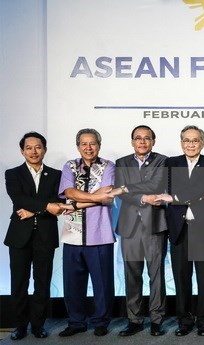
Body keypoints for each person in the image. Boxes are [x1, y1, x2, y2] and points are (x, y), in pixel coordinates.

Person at [57, 128, 123, 337]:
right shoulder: (69, 166)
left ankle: (101, 321)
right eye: (84, 144)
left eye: (92, 143)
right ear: (78, 147)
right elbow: (68, 192)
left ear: (99, 146)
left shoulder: (108, 166)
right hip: (73, 233)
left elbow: (108, 196)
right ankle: (76, 322)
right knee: (72, 282)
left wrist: (75, 203)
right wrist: (95, 198)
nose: (88, 147)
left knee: (102, 282)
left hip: (100, 233)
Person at [159, 126, 204, 336]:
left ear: (202, 143)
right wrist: (190, 193)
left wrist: (176, 198)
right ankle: (184, 321)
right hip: (179, 228)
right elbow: (176, 188)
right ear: (181, 142)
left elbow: (203, 187)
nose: (191, 144)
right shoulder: (171, 163)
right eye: (187, 140)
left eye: (195, 141)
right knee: (181, 277)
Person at [4, 132, 65, 340]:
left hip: (46, 235)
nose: (33, 151)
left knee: (42, 283)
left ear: (44, 150)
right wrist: (45, 206)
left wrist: (35, 210)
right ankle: (20, 326)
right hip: (19, 236)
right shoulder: (12, 174)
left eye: (38, 147)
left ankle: (38, 325)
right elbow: (18, 198)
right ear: (22, 151)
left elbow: (58, 201)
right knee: (18, 283)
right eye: (28, 148)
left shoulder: (56, 175)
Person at [114, 125, 168, 336]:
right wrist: (142, 198)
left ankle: (156, 319)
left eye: (147, 138)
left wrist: (127, 187)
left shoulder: (162, 160)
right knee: (132, 275)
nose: (142, 142)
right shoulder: (121, 162)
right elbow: (120, 193)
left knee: (156, 275)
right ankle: (134, 320)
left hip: (155, 225)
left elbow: (155, 184)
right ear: (132, 141)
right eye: (138, 138)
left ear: (153, 141)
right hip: (130, 226)